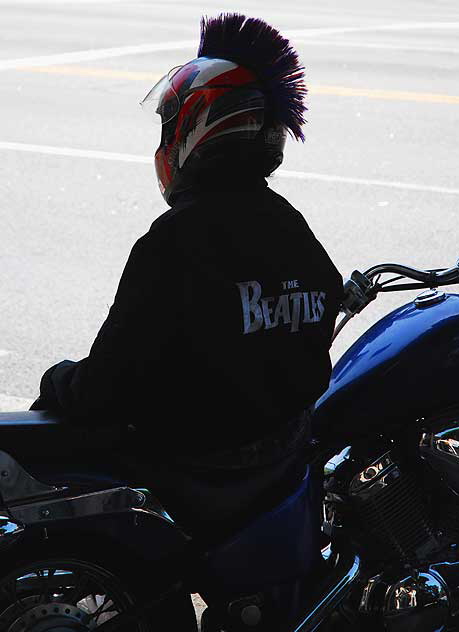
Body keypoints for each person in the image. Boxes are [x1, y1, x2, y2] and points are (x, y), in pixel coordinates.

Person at [32, 13, 343, 630]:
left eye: (173, 125)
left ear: (200, 128)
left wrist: (58, 380)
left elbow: (105, 386)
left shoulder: (175, 242)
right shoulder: (290, 225)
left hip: (198, 472)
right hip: (279, 459)